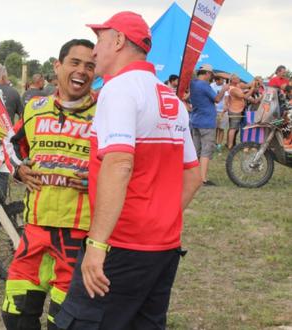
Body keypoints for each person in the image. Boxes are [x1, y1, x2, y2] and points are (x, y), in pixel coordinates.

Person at [55, 12, 202, 330]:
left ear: (118, 41)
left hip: (121, 247)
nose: (94, 52)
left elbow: (119, 163)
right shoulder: (170, 98)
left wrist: (97, 244)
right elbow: (193, 175)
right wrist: (159, 219)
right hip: (163, 250)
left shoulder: (119, 88)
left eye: (99, 40)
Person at [1, 39, 97, 330]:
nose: (82, 71)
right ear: (58, 66)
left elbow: (126, 163)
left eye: (90, 66)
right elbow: (9, 143)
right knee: (15, 317)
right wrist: (18, 170)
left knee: (65, 322)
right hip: (35, 232)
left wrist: (99, 178)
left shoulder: (106, 111)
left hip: (78, 237)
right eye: (75, 62)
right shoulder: (34, 107)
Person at [188, 64, 229, 186]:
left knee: (196, 151)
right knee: (206, 151)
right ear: (206, 74)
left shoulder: (193, 83)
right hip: (206, 122)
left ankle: (193, 177)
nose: (211, 77)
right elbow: (216, 99)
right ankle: (203, 179)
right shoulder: (204, 85)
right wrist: (223, 90)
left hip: (195, 121)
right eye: (211, 75)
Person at [226, 74, 256, 149]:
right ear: (232, 80)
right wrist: (252, 89)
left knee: (234, 128)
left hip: (239, 109)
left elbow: (247, 85)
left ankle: (230, 144)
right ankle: (230, 146)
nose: (239, 79)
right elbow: (244, 96)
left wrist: (254, 81)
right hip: (235, 110)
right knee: (233, 128)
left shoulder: (238, 85)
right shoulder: (233, 89)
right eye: (237, 78)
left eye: (239, 78)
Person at [210, 76, 228, 150]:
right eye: (222, 80)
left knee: (221, 128)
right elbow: (211, 97)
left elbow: (226, 98)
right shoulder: (211, 86)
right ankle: (213, 144)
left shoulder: (224, 86)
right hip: (214, 110)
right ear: (217, 80)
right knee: (214, 129)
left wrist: (224, 109)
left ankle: (219, 145)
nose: (223, 81)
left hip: (223, 111)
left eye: (224, 80)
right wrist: (214, 108)